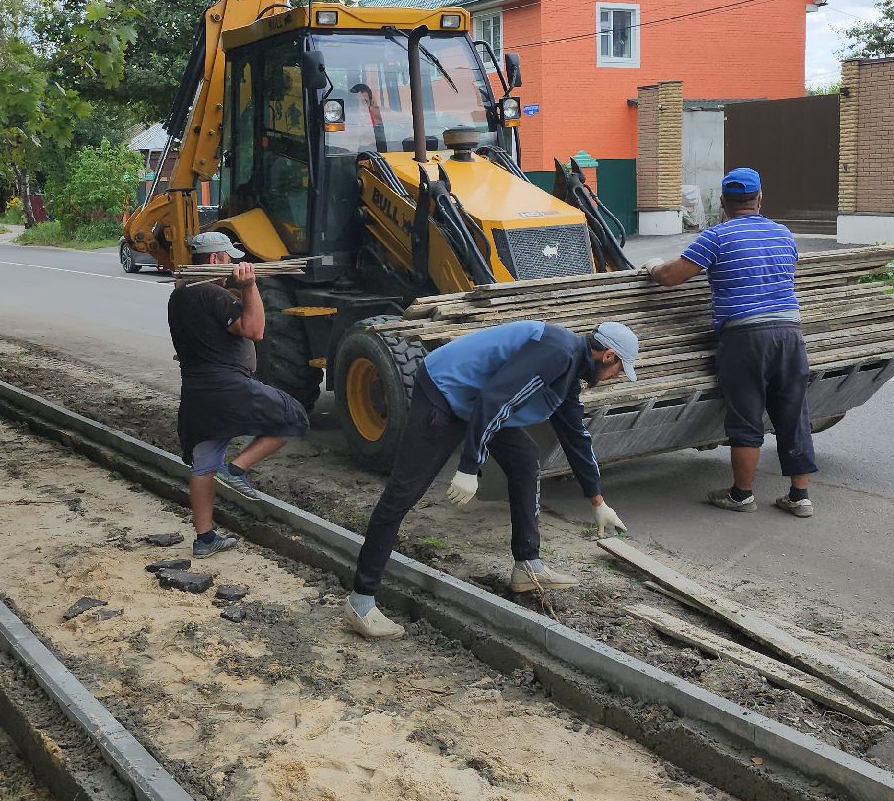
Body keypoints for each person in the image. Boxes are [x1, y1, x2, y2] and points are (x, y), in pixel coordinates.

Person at [345, 319, 638, 639]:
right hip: (447, 389)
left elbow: (575, 435)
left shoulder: (569, 371)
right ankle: (361, 602)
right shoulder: (557, 353)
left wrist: (597, 501)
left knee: (524, 459)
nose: (616, 377)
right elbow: (494, 400)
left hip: (480, 400)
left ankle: (528, 565)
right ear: (608, 356)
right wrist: (470, 466)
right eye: (620, 370)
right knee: (403, 493)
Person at [645, 168, 817, 517]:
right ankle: (800, 497)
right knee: (794, 412)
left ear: (722, 202)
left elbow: (672, 278)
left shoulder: (717, 237)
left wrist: (652, 268)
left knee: (746, 415)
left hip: (745, 338)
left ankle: (742, 495)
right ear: (760, 198)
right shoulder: (783, 234)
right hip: (789, 333)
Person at [167, 231, 309, 557]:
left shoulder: (180, 295)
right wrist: (249, 287)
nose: (233, 263)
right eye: (229, 258)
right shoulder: (211, 295)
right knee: (292, 417)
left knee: (203, 463)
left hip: (196, 392)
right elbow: (254, 329)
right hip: (226, 386)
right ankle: (237, 469)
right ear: (216, 259)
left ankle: (205, 539)